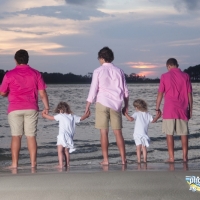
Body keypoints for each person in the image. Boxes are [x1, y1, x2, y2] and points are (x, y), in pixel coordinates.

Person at [0, 49, 49, 169]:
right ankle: (33, 164)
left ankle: (14, 164)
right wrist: (46, 107)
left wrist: (7, 94)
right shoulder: (36, 73)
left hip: (15, 108)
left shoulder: (9, 74)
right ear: (27, 60)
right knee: (31, 136)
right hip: (31, 108)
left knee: (16, 136)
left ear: (15, 60)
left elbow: (2, 92)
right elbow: (42, 93)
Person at [85, 47, 129, 165]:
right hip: (116, 104)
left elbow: (93, 89)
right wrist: (126, 106)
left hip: (102, 102)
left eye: (99, 58)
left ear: (102, 58)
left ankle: (105, 160)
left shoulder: (98, 71)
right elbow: (125, 91)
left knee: (103, 132)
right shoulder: (119, 71)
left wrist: (88, 105)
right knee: (118, 132)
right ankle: (123, 160)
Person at [156, 58, 193, 163]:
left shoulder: (164, 76)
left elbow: (160, 94)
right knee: (184, 134)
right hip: (183, 108)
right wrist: (190, 109)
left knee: (169, 134)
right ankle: (185, 158)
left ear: (168, 66)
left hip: (169, 109)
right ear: (177, 65)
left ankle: (171, 158)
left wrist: (157, 108)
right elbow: (189, 94)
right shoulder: (186, 76)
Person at [42, 102, 90, 168]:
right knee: (66, 151)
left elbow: (51, 118)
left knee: (60, 150)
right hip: (69, 137)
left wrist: (44, 115)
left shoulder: (61, 115)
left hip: (62, 135)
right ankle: (67, 164)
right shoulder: (72, 116)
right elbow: (81, 118)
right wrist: (86, 115)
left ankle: (61, 164)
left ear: (60, 110)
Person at [125, 99, 161, 163]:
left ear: (138, 107)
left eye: (135, 107)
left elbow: (130, 119)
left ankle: (139, 161)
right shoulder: (147, 114)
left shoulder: (136, 113)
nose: (135, 108)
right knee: (144, 147)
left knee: (138, 147)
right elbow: (153, 121)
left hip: (137, 134)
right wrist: (157, 117)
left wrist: (125, 114)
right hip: (144, 134)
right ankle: (145, 160)